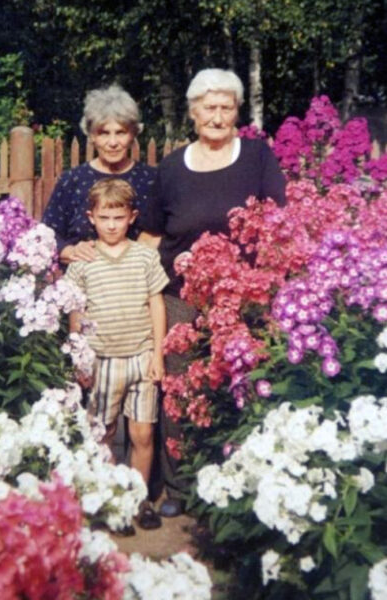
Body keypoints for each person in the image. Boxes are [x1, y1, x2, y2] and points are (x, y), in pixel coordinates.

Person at [139, 68, 286, 518]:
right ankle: (180, 488)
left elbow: (277, 224)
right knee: (180, 389)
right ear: (193, 112)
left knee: (240, 387)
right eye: (209, 107)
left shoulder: (257, 157)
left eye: (226, 107)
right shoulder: (171, 168)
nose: (217, 116)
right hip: (181, 298)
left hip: (243, 300)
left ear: (237, 112)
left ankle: (238, 487)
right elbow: (151, 236)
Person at [65, 178, 169, 532]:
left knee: (142, 435)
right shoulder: (83, 261)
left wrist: (158, 354)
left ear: (132, 217)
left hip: (141, 357)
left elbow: (156, 304)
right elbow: (75, 313)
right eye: (104, 218)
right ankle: (112, 501)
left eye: (119, 217)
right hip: (102, 360)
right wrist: (80, 358)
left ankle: (138, 499)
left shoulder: (145, 257)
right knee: (104, 433)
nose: (111, 225)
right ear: (91, 217)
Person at [42, 84, 156, 265]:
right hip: (82, 275)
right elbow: (48, 233)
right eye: (104, 133)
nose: (113, 142)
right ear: (91, 136)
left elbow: (168, 232)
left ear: (133, 134)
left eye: (120, 132)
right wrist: (71, 251)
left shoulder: (151, 180)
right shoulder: (72, 180)